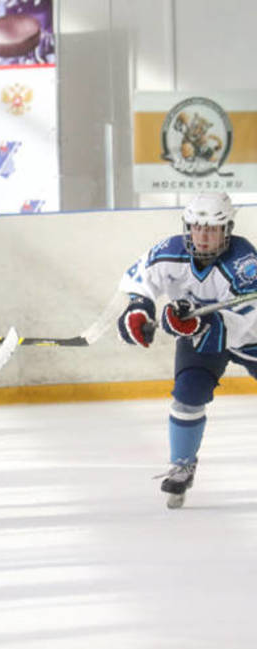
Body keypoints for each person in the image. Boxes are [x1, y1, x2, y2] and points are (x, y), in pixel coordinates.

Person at [117, 191, 257, 508]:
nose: (203, 236)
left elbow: (246, 320)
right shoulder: (171, 251)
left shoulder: (245, 262)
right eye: (197, 227)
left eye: (212, 229)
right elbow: (140, 278)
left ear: (227, 229)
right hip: (201, 338)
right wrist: (139, 308)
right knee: (188, 393)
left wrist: (198, 324)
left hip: (251, 336)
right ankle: (181, 465)